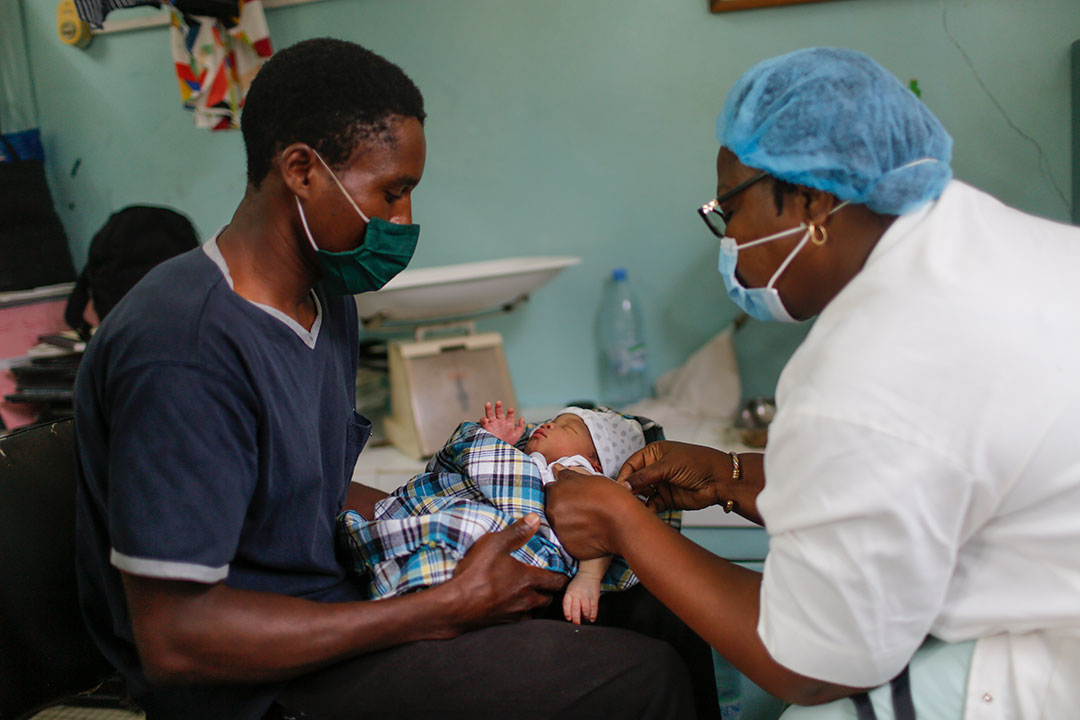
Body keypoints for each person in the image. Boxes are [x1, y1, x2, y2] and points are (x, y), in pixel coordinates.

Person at [73, 38, 709, 720]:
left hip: (344, 604)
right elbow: (176, 640)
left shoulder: (326, 299)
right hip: (252, 685)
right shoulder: (186, 346)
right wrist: (443, 607)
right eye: (392, 192)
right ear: (301, 171)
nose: (404, 221)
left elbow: (311, 484)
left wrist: (501, 519)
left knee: (663, 598)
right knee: (640, 679)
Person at [546, 46, 1080, 720]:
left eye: (729, 211)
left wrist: (626, 526)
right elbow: (914, 480)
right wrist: (733, 476)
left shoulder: (869, 359)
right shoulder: (1001, 244)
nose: (728, 241)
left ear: (813, 201)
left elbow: (813, 665)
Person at [343, 401, 649, 625]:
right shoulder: (523, 461)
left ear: (594, 461)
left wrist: (588, 577)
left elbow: (601, 528)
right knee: (459, 520)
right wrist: (492, 443)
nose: (550, 424)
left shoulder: (578, 473)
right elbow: (464, 474)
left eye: (567, 426)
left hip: (518, 540)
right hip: (478, 516)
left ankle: (413, 583)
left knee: (471, 526)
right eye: (553, 419)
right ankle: (412, 577)